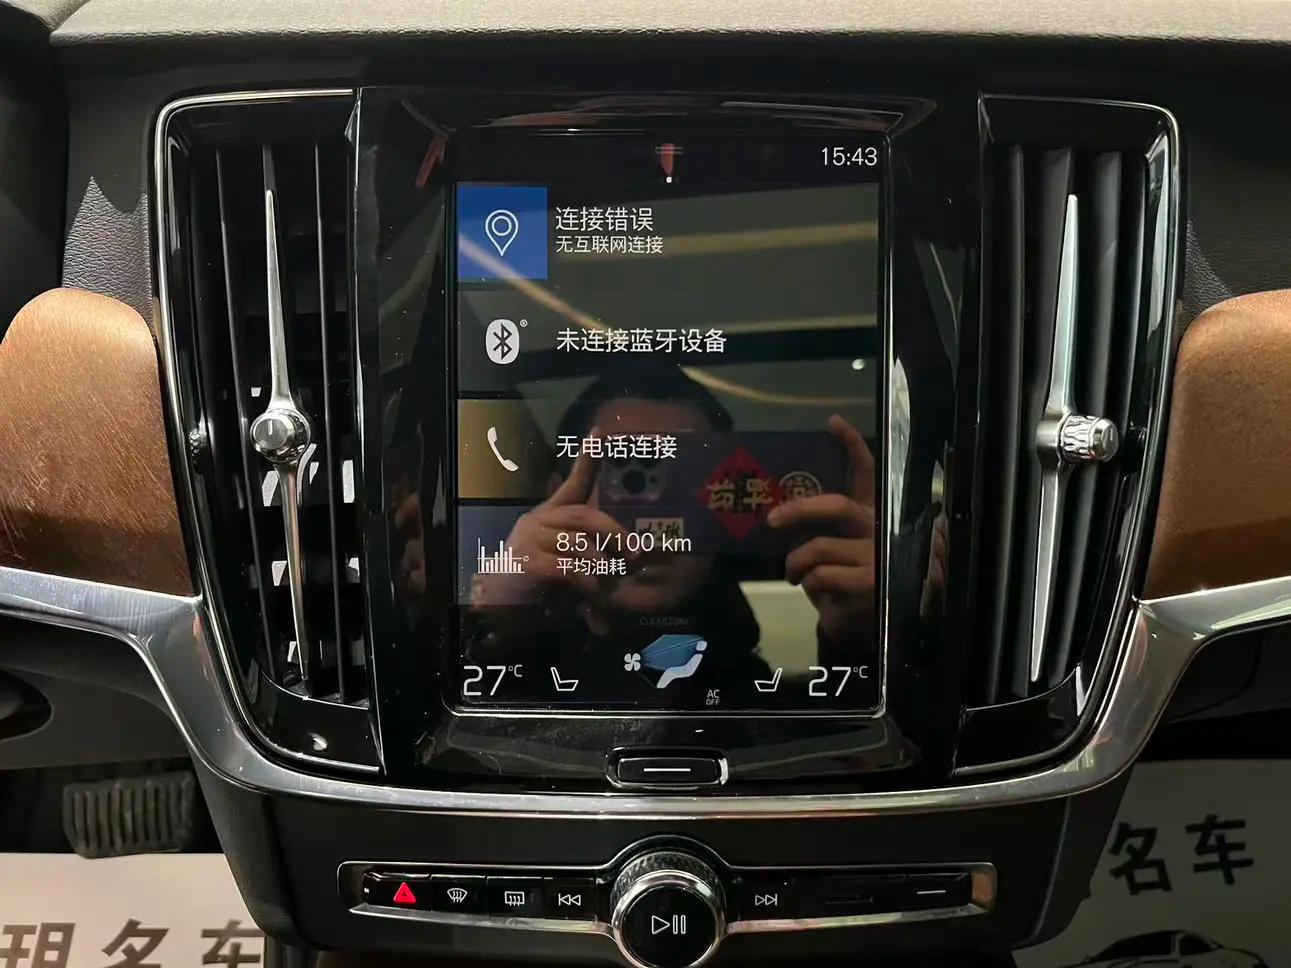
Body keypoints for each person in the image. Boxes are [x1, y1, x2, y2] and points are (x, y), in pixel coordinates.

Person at [466, 366, 876, 704]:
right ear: (559, 493)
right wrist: (494, 628)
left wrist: (864, 641)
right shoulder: (504, 640)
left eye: (687, 481)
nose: (653, 519)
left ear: (725, 504)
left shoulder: (763, 702)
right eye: (626, 475)